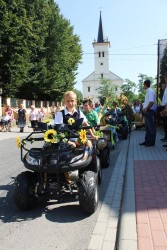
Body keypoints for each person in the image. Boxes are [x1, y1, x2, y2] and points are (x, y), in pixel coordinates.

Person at [139, 79, 156, 146]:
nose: (143, 86)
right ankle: (147, 141)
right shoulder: (148, 91)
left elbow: (151, 102)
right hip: (147, 111)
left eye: (144, 85)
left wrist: (146, 108)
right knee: (147, 127)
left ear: (145, 85)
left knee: (151, 127)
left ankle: (151, 142)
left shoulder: (150, 91)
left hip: (149, 111)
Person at [160, 73, 167, 142]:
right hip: (164, 107)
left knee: (166, 123)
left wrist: (165, 108)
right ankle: (165, 137)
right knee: (165, 123)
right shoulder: (165, 89)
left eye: (165, 78)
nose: (165, 79)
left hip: (166, 107)